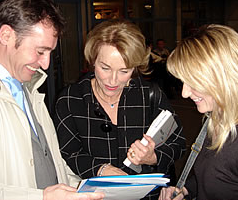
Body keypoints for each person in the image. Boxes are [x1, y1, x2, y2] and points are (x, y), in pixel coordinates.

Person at [0, 0, 105, 200]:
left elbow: (50, 161)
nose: (45, 64)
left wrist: (83, 189)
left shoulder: (30, 87)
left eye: (49, 53)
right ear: (6, 35)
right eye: (40, 51)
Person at [54, 20, 186, 200]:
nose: (113, 81)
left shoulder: (149, 94)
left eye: (124, 71)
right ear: (92, 61)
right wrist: (100, 169)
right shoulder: (71, 99)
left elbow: (179, 143)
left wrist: (153, 157)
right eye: (105, 68)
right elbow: (68, 152)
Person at [159, 24, 238, 200]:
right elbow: (215, 177)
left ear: (223, 77)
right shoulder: (216, 118)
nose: (184, 93)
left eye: (193, 82)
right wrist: (186, 190)